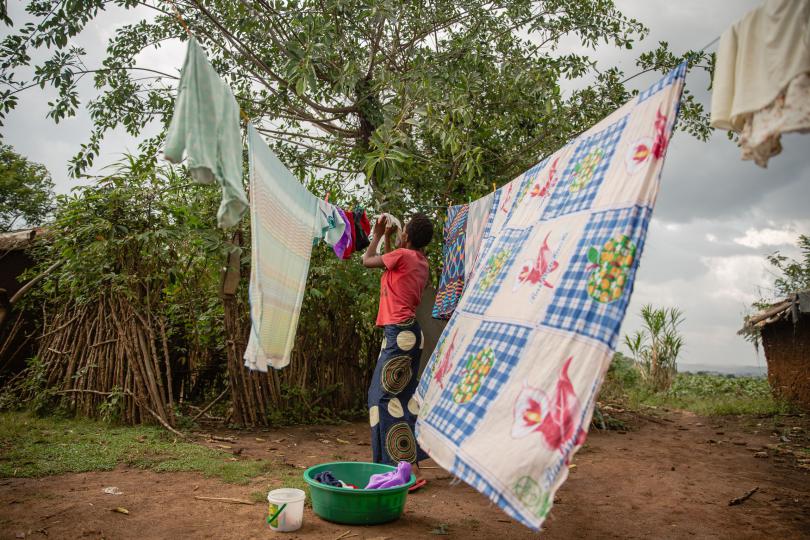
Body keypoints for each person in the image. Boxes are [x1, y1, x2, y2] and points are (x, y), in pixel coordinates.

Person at [361, 212, 434, 465]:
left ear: (407, 235)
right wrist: (391, 240)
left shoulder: (402, 256)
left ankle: (396, 467)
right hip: (409, 335)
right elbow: (393, 269)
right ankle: (404, 462)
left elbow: (367, 260)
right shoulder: (421, 261)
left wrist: (379, 235)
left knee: (381, 398)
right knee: (398, 397)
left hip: (399, 333)